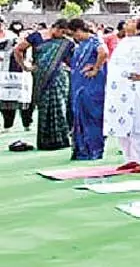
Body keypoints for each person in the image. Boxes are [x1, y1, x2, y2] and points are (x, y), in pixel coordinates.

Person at [104, 17, 140, 172]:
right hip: (120, 91)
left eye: (132, 22)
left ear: (138, 30)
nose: (126, 22)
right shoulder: (125, 42)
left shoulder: (139, 43)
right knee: (121, 126)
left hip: (134, 91)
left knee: (137, 126)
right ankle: (130, 159)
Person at [13, 19, 74, 151]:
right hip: (40, 76)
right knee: (44, 107)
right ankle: (45, 141)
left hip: (58, 78)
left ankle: (61, 140)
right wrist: (25, 66)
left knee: (59, 106)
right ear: (55, 28)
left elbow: (71, 61)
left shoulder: (66, 43)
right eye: (62, 32)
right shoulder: (36, 36)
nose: (62, 35)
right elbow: (18, 49)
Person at [67, 19, 108, 161]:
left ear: (79, 30)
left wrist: (96, 68)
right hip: (79, 85)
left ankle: (94, 150)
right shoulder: (81, 44)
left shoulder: (95, 41)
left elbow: (103, 53)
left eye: (74, 34)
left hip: (91, 86)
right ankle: (82, 150)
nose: (74, 37)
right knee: (80, 117)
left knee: (92, 117)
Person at [0, 19, 34, 133]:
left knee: (24, 98)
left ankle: (27, 123)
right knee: (6, 99)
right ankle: (7, 125)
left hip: (21, 73)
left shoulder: (15, 37)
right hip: (4, 73)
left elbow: (24, 52)